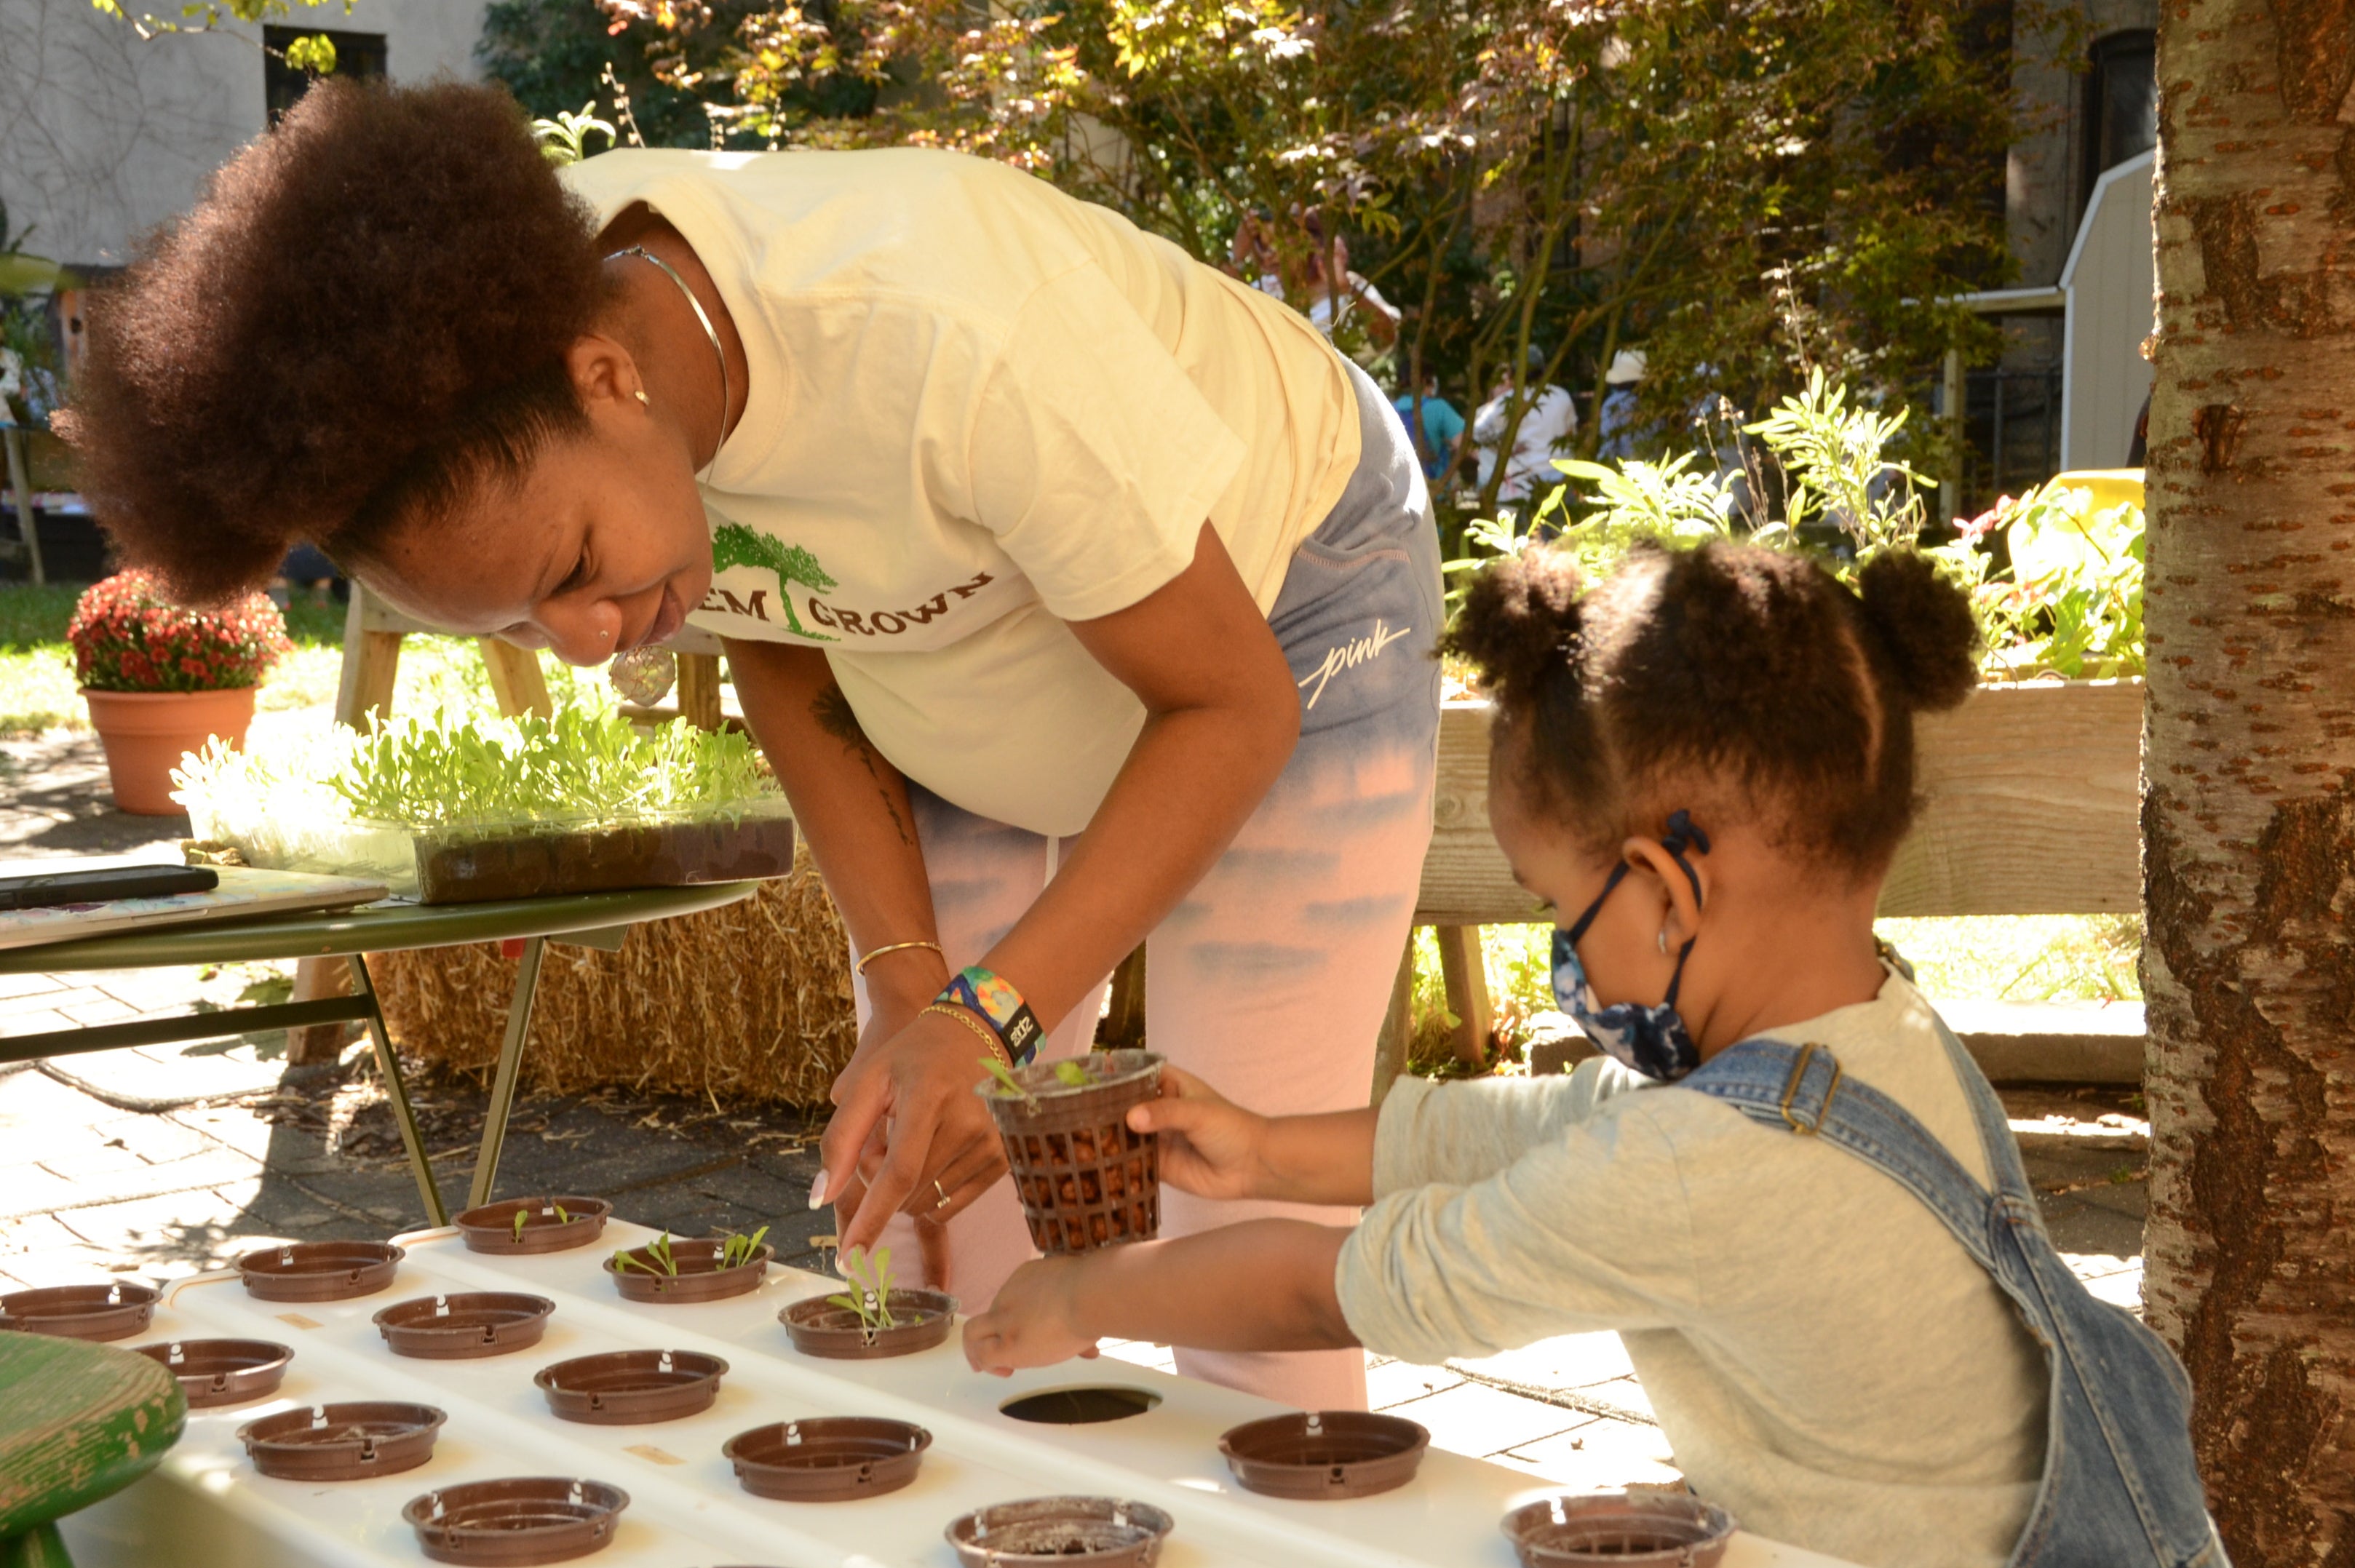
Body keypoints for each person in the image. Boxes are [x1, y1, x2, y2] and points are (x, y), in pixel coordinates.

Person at [62, 80, 1445, 1412]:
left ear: (607, 377)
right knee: (928, 1208)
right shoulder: (519, 361)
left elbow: (1227, 707)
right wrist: (914, 987)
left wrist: (989, 1012)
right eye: (532, 627)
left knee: (1230, 1199)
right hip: (957, 642)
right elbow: (784, 619)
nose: (595, 641)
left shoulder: (945, 331)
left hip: (1283, 606)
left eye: (579, 568)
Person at [964, 539, 2267, 1568]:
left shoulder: (1705, 1169)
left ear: (1664, 888)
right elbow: (1539, 1128)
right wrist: (1259, 1148)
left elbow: (1337, 1288)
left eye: (1554, 909)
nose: (1560, 951)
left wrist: (1086, 1296)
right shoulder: (1874, 1035)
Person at [1231, 208, 1402, 351]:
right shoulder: (1265, 290)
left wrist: (1346, 290)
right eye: (1264, 246)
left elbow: (1387, 337)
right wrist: (1234, 258)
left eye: (1277, 243)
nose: (1270, 255)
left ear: (1307, 240)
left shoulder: (1348, 285)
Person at [1470, 346, 1577, 518]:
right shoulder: (1562, 396)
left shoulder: (1508, 401)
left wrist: (1503, 447)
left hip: (1525, 482)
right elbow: (1572, 434)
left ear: (1514, 373)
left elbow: (1474, 433)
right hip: (1563, 476)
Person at [1391, 364, 1464, 487]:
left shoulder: (1390, 409)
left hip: (1400, 492)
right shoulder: (1439, 408)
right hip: (1435, 491)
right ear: (1425, 380)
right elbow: (1463, 444)